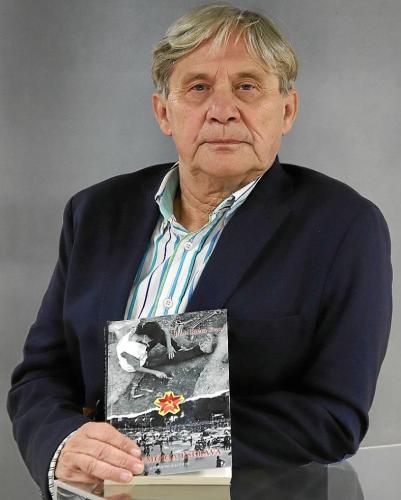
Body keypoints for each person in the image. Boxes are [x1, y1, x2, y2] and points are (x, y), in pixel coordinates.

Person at [7, 4, 392, 500]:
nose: (223, 109)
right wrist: (62, 446)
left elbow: (334, 416)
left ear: (287, 110)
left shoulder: (343, 227)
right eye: (198, 87)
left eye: (248, 86)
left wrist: (151, 452)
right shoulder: (95, 212)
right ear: (163, 112)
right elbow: (42, 375)